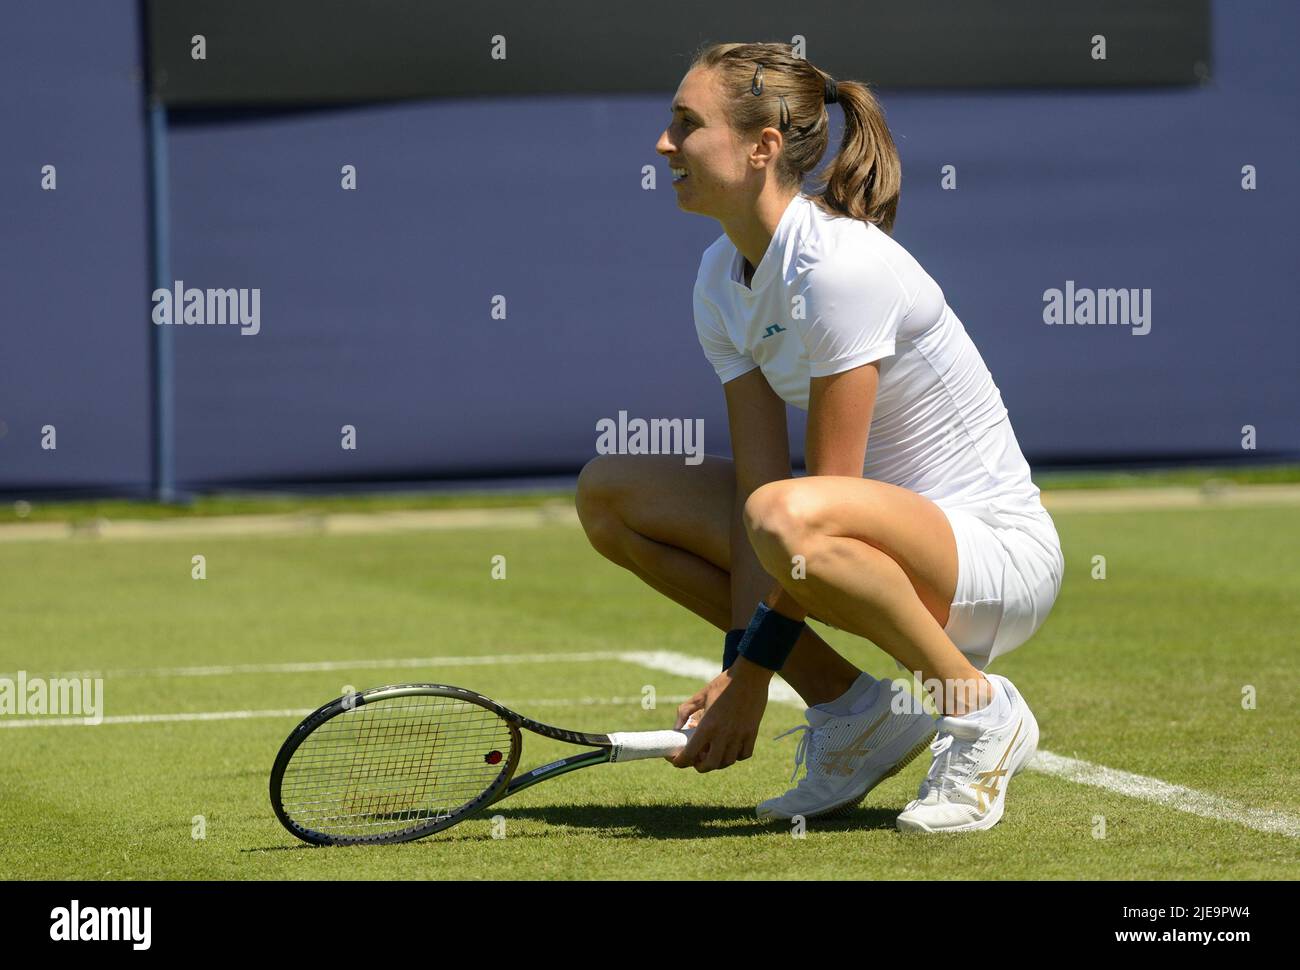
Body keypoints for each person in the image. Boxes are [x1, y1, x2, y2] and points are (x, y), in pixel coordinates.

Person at [575, 42, 1064, 833]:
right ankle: (852, 711)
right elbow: (756, 498)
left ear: (762, 147)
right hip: (867, 544)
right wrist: (745, 664)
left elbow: (816, 513)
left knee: (790, 517)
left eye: (686, 124)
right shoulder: (719, 278)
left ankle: (977, 707)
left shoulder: (839, 269)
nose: (664, 145)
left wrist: (752, 676)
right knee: (613, 496)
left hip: (996, 564)